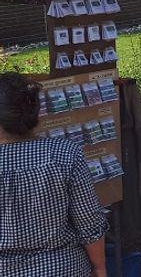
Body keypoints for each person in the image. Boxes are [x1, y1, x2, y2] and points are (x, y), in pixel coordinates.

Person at [0, 72, 108, 277]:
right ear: (35, 113)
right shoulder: (65, 153)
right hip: (64, 267)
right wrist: (100, 268)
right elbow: (89, 222)